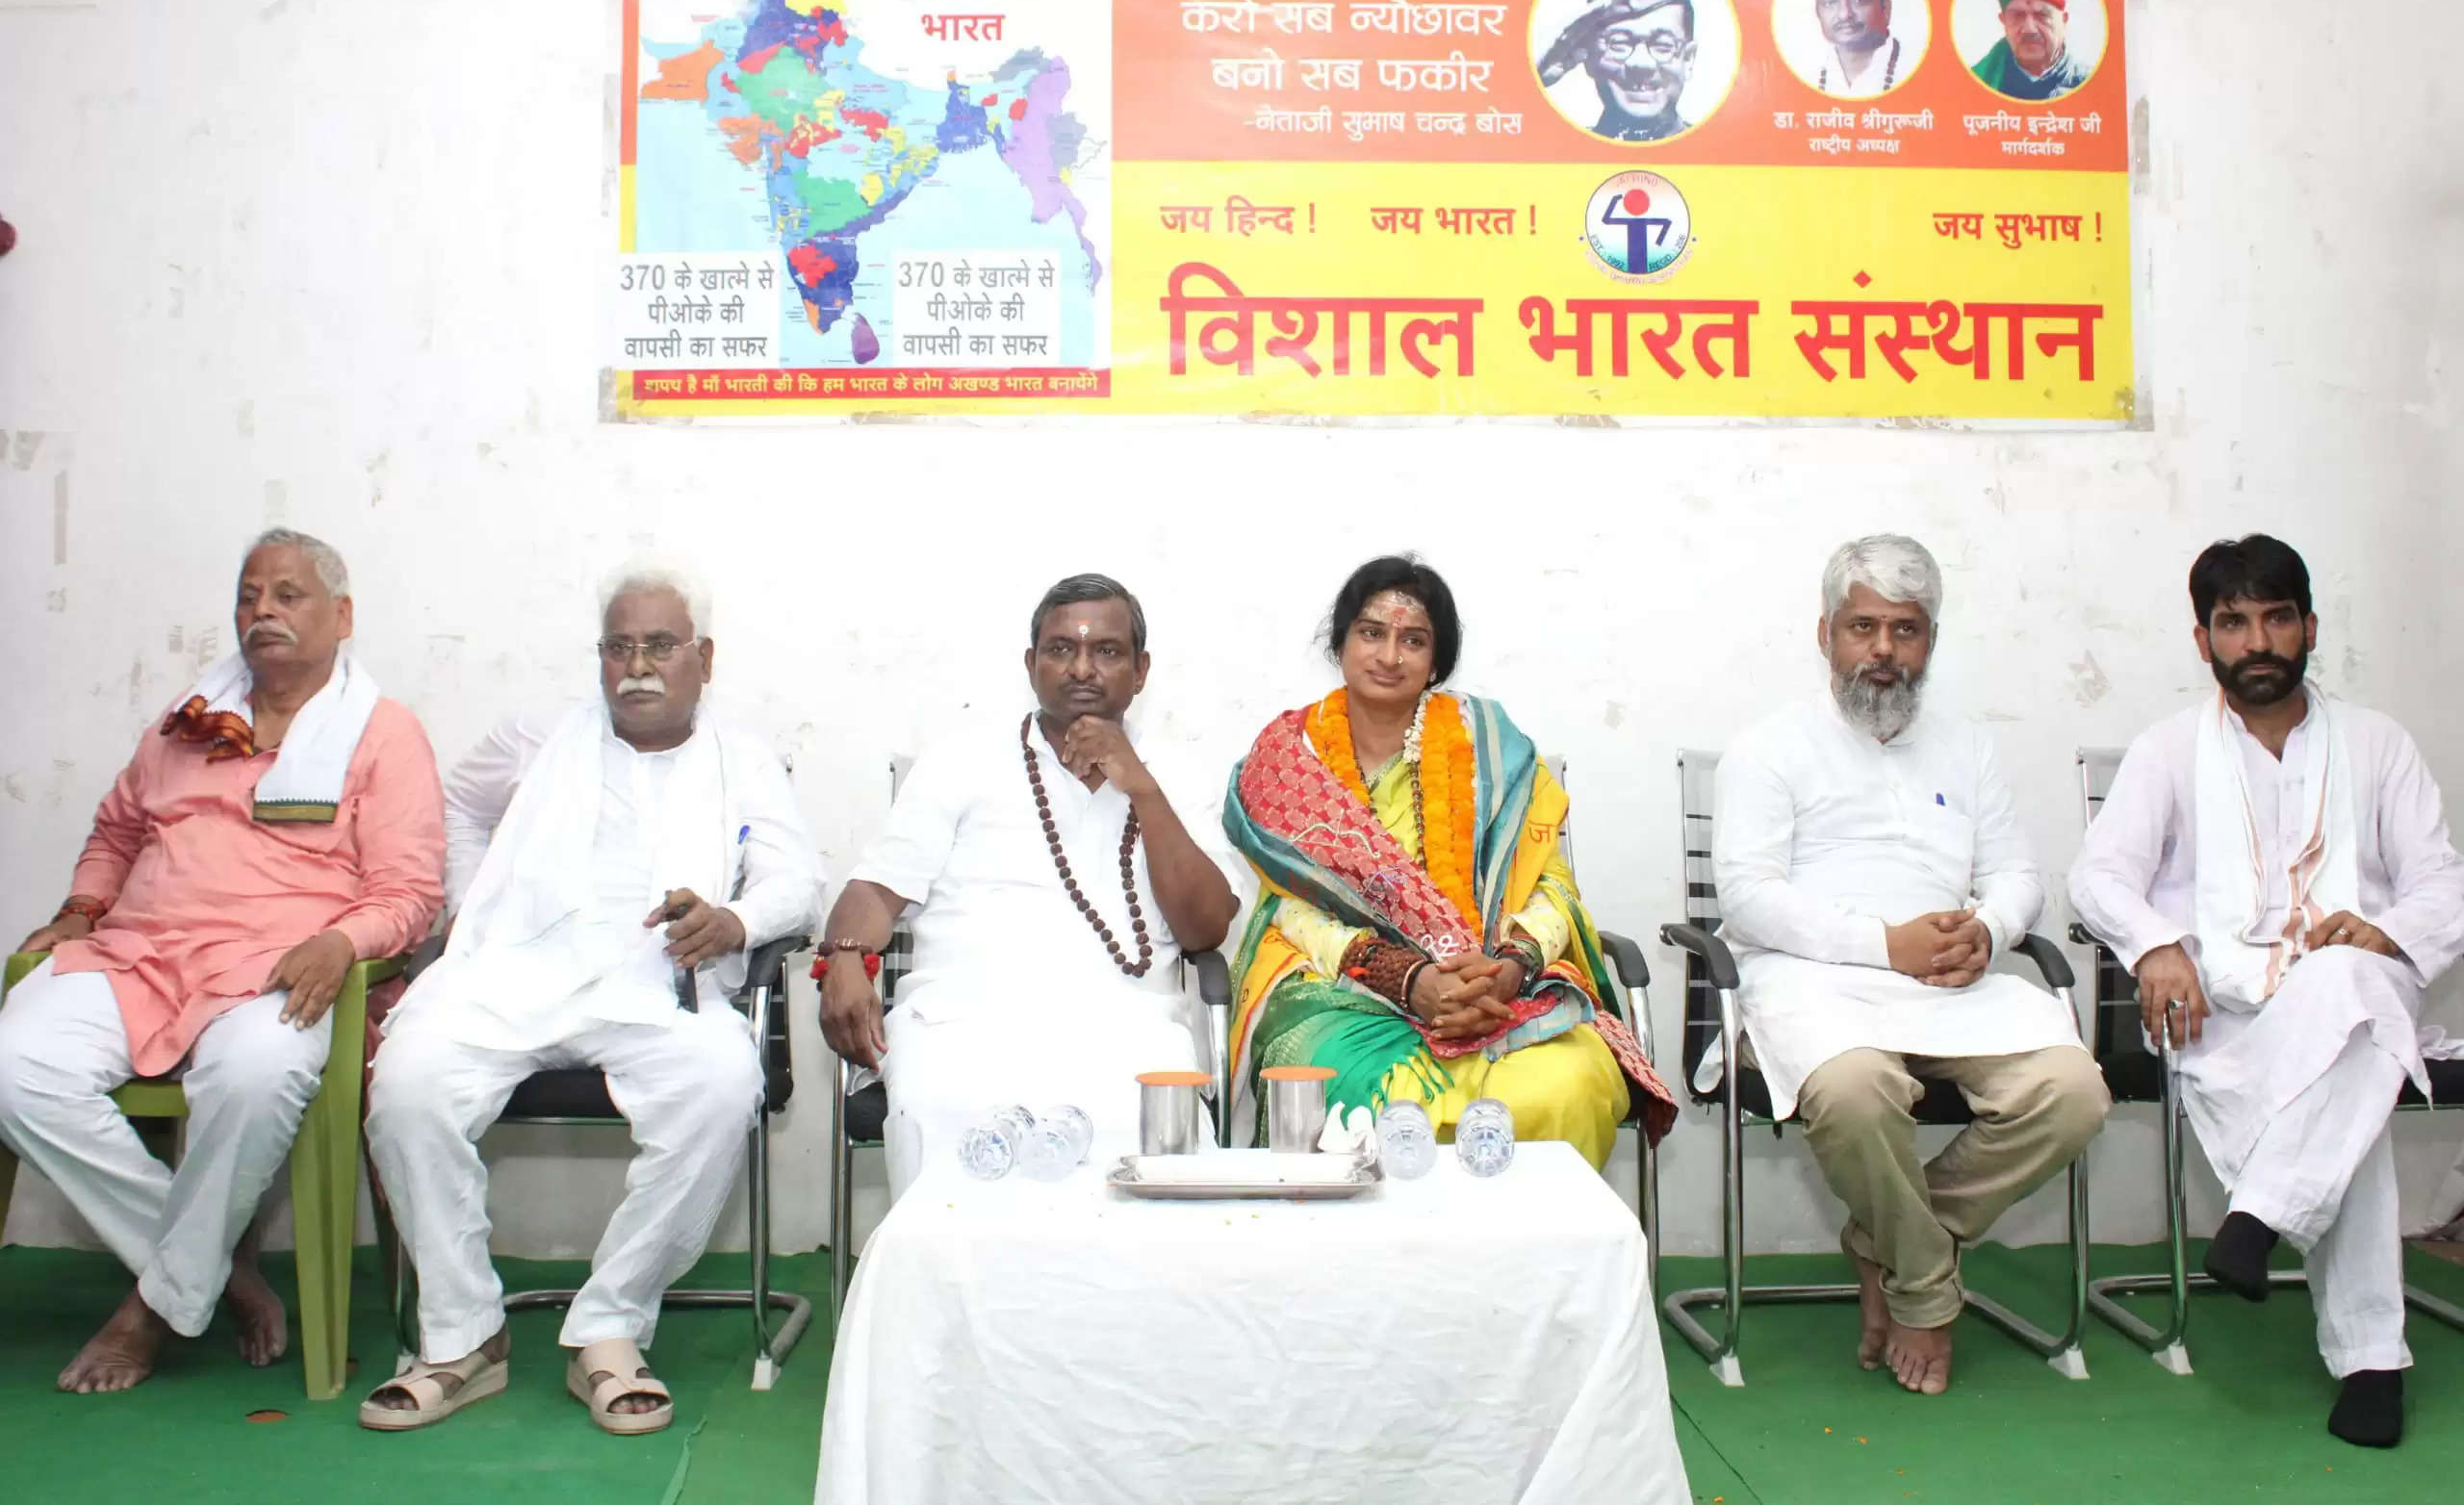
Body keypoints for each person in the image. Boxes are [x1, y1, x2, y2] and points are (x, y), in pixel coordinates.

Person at [360, 561, 818, 1435]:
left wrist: (733, 919)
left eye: (658, 645)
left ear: (704, 658)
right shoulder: (538, 734)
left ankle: (609, 1328)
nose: (636, 665)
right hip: (512, 975)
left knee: (723, 1085)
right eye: (618, 646)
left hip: (655, 983)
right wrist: (470, 907)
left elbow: (798, 878)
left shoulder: (743, 756)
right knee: (409, 1083)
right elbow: (460, 802)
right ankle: (461, 1337)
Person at [0, 529, 445, 1393]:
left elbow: (408, 892)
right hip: (141, 953)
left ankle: (150, 1308)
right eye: (249, 596)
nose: (263, 612)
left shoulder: (383, 735)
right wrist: (80, 910)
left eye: (288, 594)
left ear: (342, 616)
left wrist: (339, 941)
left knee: (257, 1073)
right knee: (14, 1065)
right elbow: (117, 832)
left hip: (278, 970)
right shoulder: (190, 720)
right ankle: (211, 1272)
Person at [2070, 534, 2464, 1448]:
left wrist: (2389, 930)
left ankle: (2263, 1218)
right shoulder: (2170, 749)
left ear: (2310, 627)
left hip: (2354, 996)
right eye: (2234, 623)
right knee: (2351, 1077)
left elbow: (2443, 882)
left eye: (2277, 618)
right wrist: (2157, 944)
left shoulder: (2379, 743)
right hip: (2225, 1017)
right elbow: (2098, 880)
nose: (2258, 642)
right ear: (2203, 641)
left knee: (2348, 987)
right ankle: (2369, 1360)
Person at [1713, 534, 2106, 1395]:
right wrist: (1881, 942)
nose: (1883, 651)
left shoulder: (1967, 746)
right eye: (1863, 627)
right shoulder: (1766, 749)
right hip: (1814, 979)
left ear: (1930, 641)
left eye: (1906, 630)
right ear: (1825, 635)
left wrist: (1992, 931)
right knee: (1856, 1092)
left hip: (1948, 984)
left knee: (2074, 1093)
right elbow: (1744, 896)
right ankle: (1926, 1291)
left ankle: (1886, 1242)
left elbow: (2015, 874)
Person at [1221, 557, 1674, 1167]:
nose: (1390, 655)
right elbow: (1289, 906)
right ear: (1340, 644)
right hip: (1338, 986)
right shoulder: (1291, 758)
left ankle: (1534, 1263)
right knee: (1362, 1098)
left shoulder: (1494, 750)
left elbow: (1550, 883)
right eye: (1371, 632)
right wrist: (1406, 979)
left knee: (1567, 1085)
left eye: (1414, 640)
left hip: (1496, 988)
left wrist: (1509, 967)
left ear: (1436, 661)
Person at [816, 574, 1239, 1196]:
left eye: (1107, 651)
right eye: (1061, 649)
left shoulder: (1177, 771)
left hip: (1126, 1028)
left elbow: (1206, 927)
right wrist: (846, 956)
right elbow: (877, 891)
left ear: (1141, 669)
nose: (1081, 669)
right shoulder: (960, 761)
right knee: (948, 1120)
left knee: (1143, 1136)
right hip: (962, 1021)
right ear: (1031, 664)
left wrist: (1142, 789)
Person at [1538, 0, 1698, 142]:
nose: (1641, 64)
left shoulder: (1721, 154)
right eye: (1619, 43)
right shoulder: (1561, 152)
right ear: (1588, 57)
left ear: (1688, 60)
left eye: (1663, 46)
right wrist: (1534, 78)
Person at [1968, 0, 2092, 100]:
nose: (2029, 29)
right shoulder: (1976, 84)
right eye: (2018, 16)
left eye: (2042, 15)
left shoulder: (2092, 85)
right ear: (2004, 22)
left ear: (2064, 21)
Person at [1807, 0, 1908, 97]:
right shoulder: (1809, 74)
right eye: (1830, 3)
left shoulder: (1917, 68)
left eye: (1859, 0)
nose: (1845, 14)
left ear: (1885, 8)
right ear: (1818, 12)